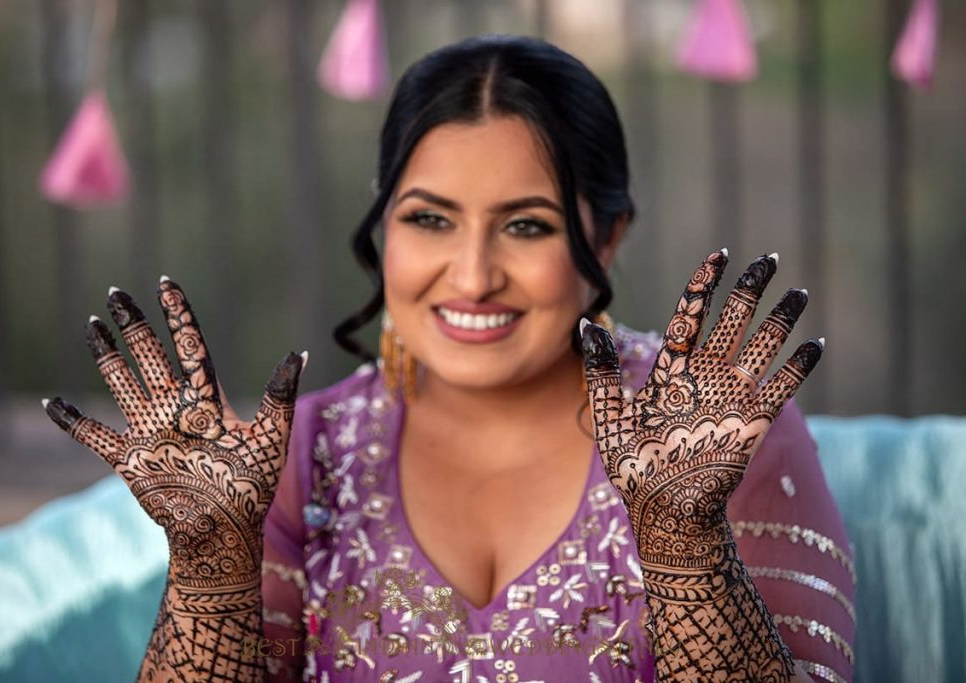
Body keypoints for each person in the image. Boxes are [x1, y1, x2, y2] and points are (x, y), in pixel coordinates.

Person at [45, 35, 855, 683]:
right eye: (430, 219)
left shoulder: (713, 437)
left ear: (607, 237)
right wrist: (209, 571)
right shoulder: (305, 454)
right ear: (383, 223)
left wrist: (685, 549)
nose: (471, 274)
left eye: (527, 225)